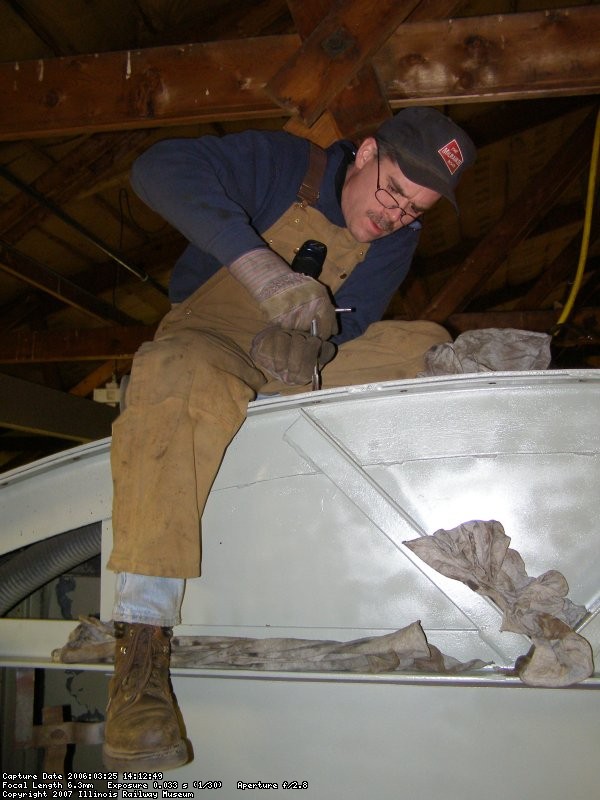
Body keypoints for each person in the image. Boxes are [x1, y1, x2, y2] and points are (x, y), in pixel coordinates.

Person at [102, 107, 476, 770]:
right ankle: (141, 654)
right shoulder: (282, 164)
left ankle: (489, 384)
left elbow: (357, 329)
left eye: (414, 210)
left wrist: (315, 343)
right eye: (393, 191)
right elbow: (156, 169)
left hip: (298, 361)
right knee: (173, 372)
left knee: (427, 344)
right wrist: (264, 274)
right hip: (211, 338)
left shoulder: (395, 242)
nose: (395, 217)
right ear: (364, 154)